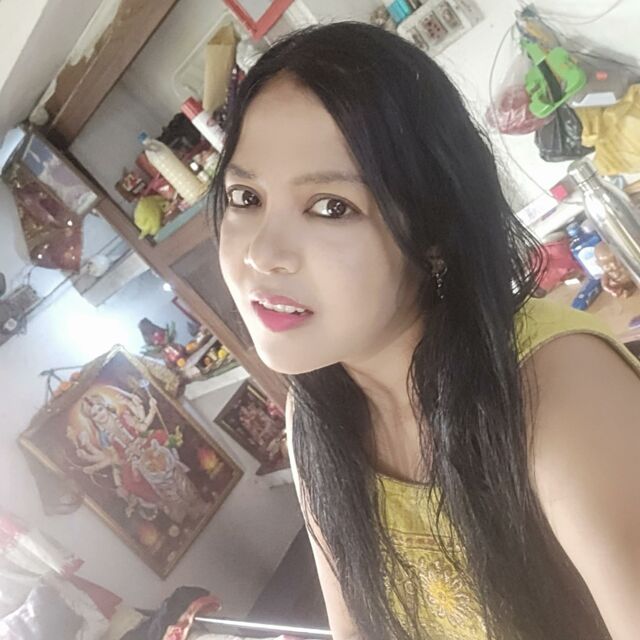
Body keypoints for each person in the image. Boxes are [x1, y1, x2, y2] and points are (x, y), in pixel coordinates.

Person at [210, 22, 640, 640]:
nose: (262, 254)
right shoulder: (317, 417)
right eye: (245, 197)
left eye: (331, 207)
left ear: (434, 231)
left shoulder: (554, 385)